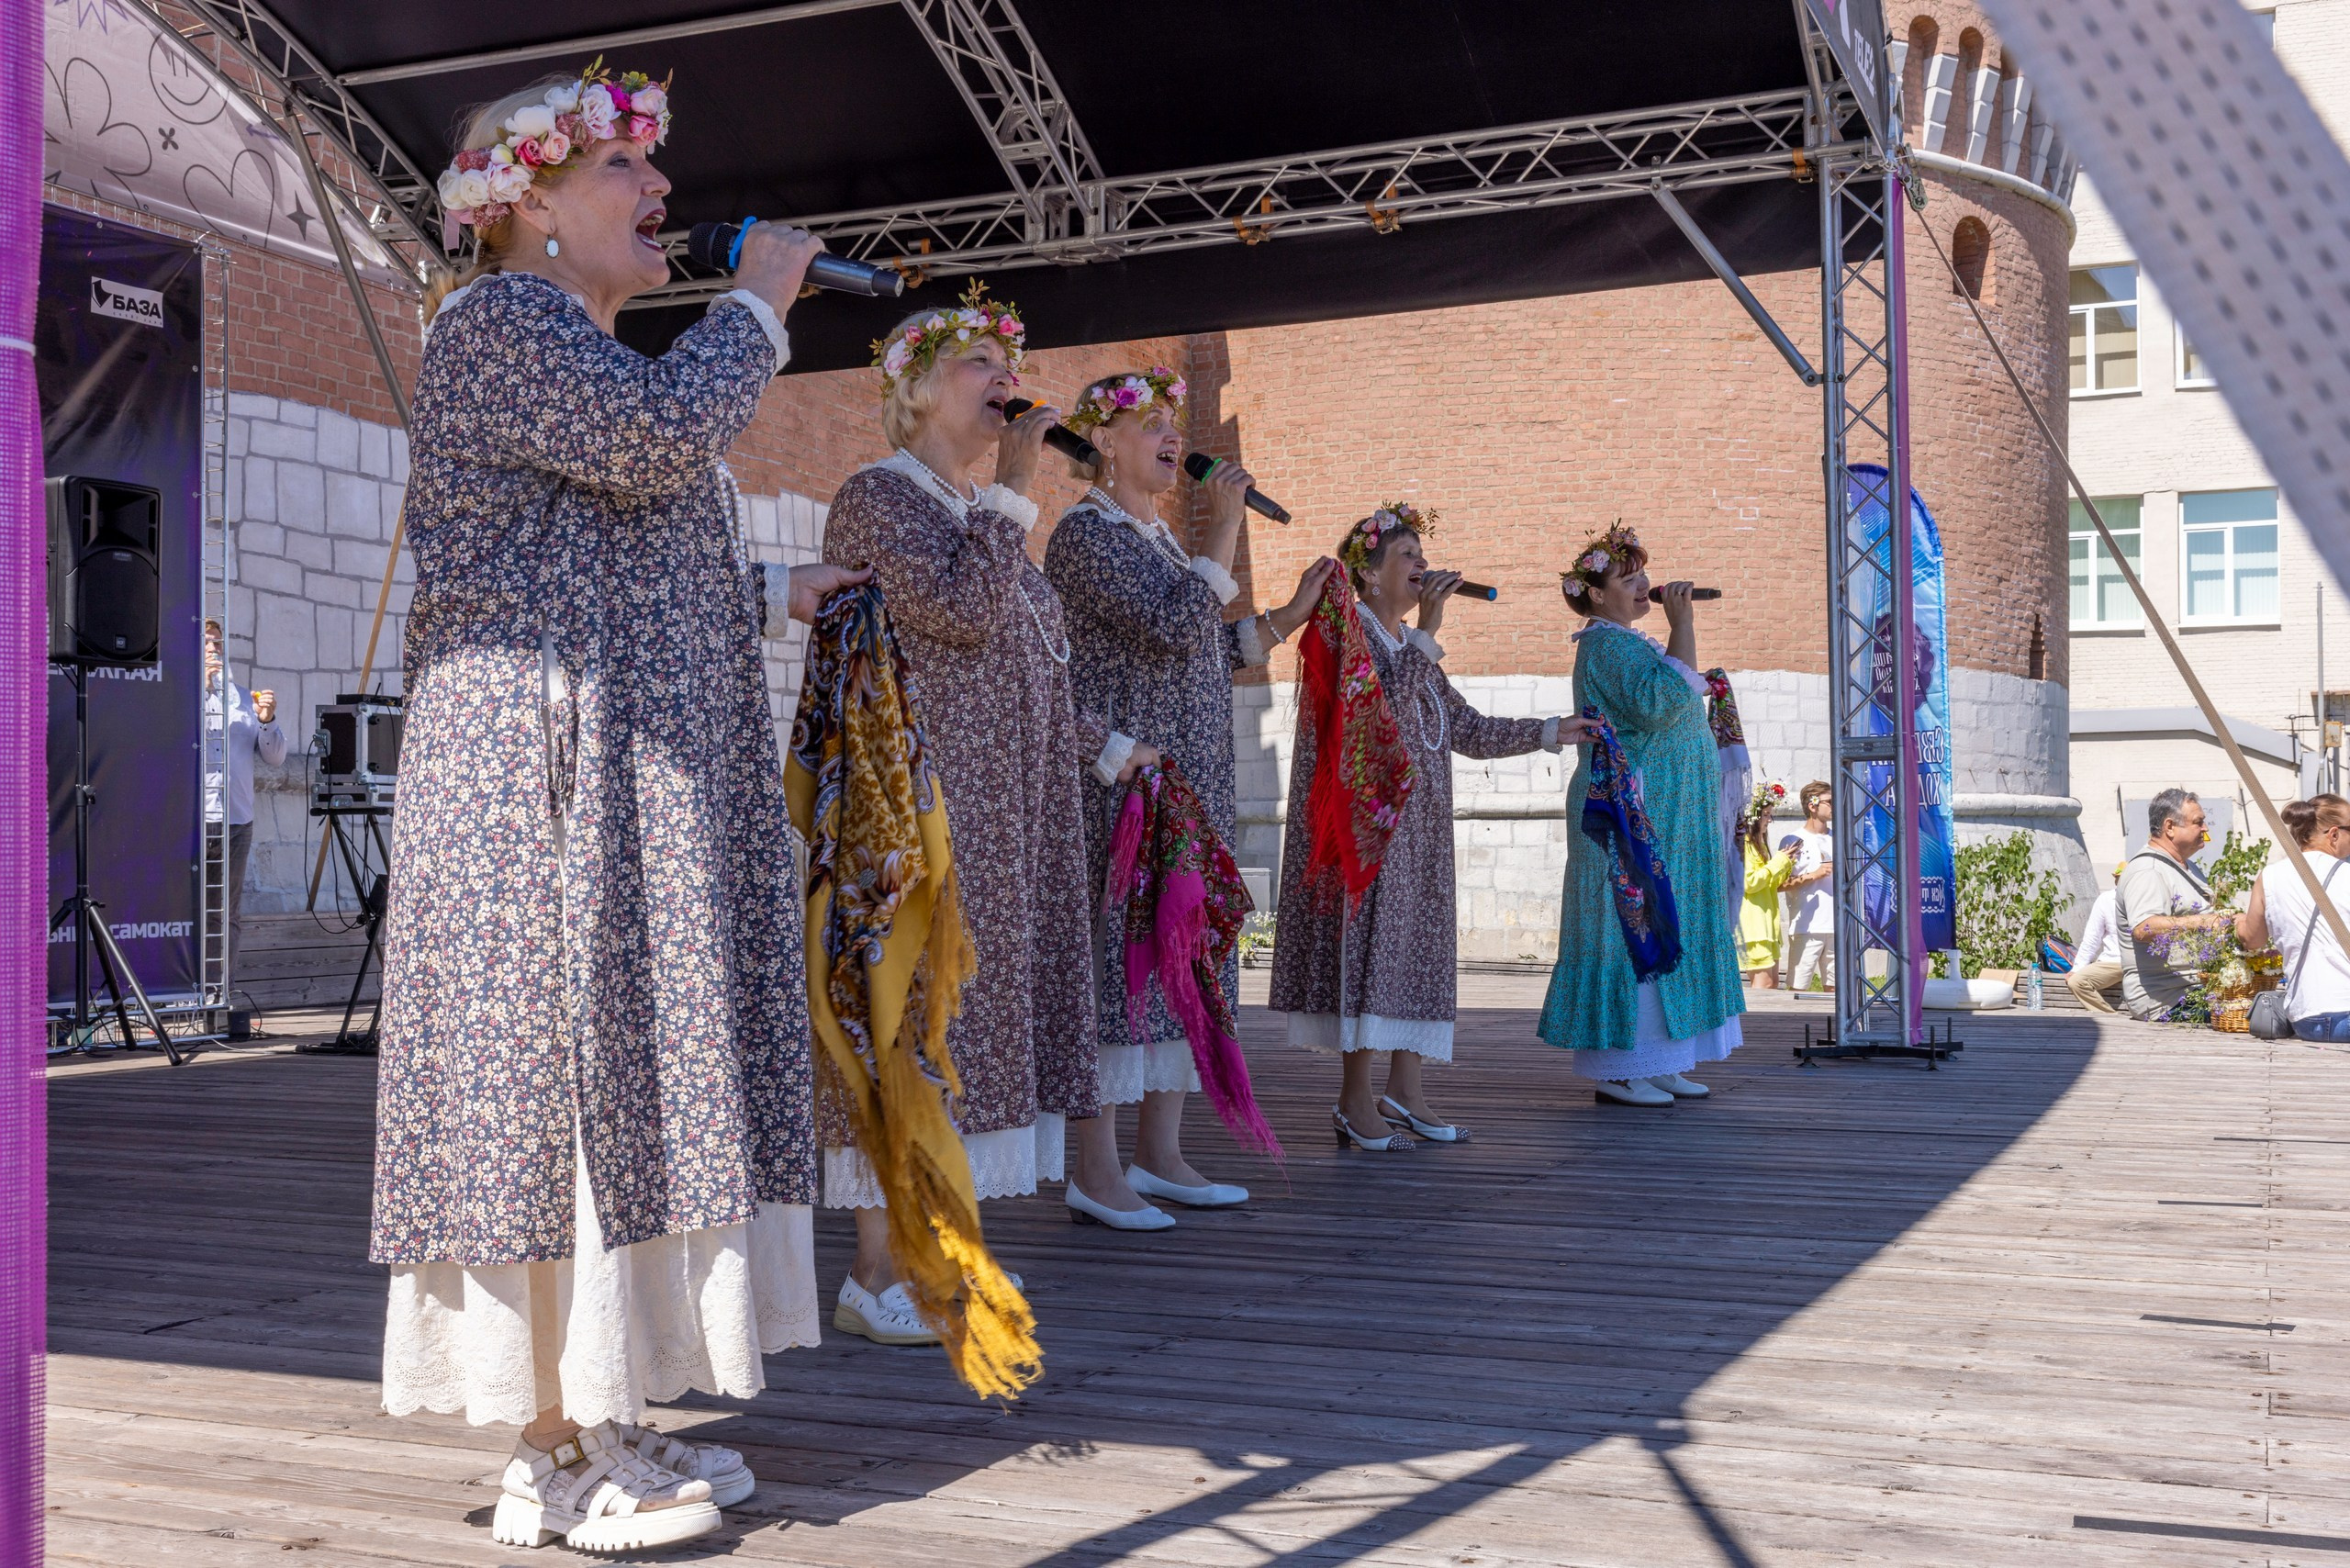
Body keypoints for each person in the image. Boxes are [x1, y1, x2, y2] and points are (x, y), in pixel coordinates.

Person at [373, 67, 862, 1554]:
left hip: (624, 791)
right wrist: (762, 302)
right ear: (525, 202)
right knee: (550, 1089)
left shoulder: (578, 352)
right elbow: (659, 442)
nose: (663, 195)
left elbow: (625, 530)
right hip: (533, 789)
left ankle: (615, 1401)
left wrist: (774, 589)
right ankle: (545, 1446)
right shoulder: (500, 325)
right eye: (622, 174)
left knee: (629, 1081)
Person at [820, 284, 1106, 1330]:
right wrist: (1019, 485)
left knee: (965, 1031)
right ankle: (876, 1275)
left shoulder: (974, 513)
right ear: (916, 387)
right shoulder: (879, 496)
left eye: (1006, 360)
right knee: (906, 1020)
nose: (1006, 379)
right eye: (981, 361)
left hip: (1006, 811)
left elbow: (1035, 665)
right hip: (916, 807)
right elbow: (957, 614)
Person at [1043, 369, 1337, 1226]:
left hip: (1195, 779)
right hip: (1125, 782)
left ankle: (1160, 1155)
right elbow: (1172, 625)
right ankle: (1094, 1172)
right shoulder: (1085, 537)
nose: (1175, 438)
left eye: (1176, 424)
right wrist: (1227, 522)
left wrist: (1286, 615)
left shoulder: (1162, 544)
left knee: (1186, 962)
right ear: (1105, 443)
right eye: (1154, 425)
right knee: (1119, 965)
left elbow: (1203, 646)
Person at [1270, 502, 1581, 1149]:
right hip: (1365, 833)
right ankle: (1354, 1100)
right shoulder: (1344, 635)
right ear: (1370, 575)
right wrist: (1429, 630)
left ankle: (1406, 1091)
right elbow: (1372, 713)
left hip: (1422, 835)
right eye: (1407, 556)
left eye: (1421, 555)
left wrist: (1553, 731)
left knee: (1416, 956)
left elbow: (1464, 728)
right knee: (1368, 955)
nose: (1423, 566)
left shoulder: (1415, 651)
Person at [1539, 521, 1745, 1104]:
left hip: (1668, 814)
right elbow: (1659, 705)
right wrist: (1684, 627)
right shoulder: (1604, 644)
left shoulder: (1632, 644)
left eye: (1643, 577)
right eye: (1628, 580)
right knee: (1626, 925)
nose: (1644, 587)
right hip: (1632, 813)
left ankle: (1662, 1057)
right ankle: (1619, 1066)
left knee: (1664, 921)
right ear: (1596, 594)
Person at [202, 617, 286, 992]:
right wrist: (200, 690)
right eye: (205, 644)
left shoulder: (241, 697)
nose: (213, 650)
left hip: (236, 820)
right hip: (190, 818)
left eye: (217, 643)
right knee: (185, 906)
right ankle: (182, 989)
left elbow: (275, 758)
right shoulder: (177, 692)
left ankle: (221, 992)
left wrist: (268, 721)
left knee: (225, 912)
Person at [2237, 795, 2350, 1039]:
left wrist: (2238, 924)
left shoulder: (2269, 876)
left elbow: (2253, 941)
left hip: (2307, 1019)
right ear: (2333, 834)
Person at [2116, 788, 2234, 1020]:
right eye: (2198, 822)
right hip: (2166, 1000)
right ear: (2170, 827)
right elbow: (2144, 927)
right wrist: (2204, 922)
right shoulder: (2147, 870)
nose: (2205, 828)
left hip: (2195, 992)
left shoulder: (2188, 866)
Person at [1780, 780, 1835, 991]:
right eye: (1829, 801)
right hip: (1807, 927)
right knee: (1797, 989)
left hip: (1837, 926)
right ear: (1812, 806)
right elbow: (1779, 884)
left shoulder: (1840, 837)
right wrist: (1814, 875)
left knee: (1835, 992)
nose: (1834, 805)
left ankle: (1832, 1026)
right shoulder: (1793, 839)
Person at [1738, 784, 1794, 989]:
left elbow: (1770, 882)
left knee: (1771, 985)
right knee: (1764, 984)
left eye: (1771, 815)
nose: (1769, 821)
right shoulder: (1744, 844)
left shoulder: (1758, 845)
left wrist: (1787, 862)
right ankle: (1755, 1021)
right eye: (1766, 815)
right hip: (1754, 925)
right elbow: (1750, 882)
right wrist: (1779, 861)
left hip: (1767, 922)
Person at [2066, 863, 2128, 1013]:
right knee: (2077, 981)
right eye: (2121, 878)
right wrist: (2078, 967)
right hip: (2114, 961)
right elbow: (2092, 937)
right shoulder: (2106, 899)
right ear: (2116, 880)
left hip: (2143, 963)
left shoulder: (2148, 899)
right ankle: (2109, 1017)